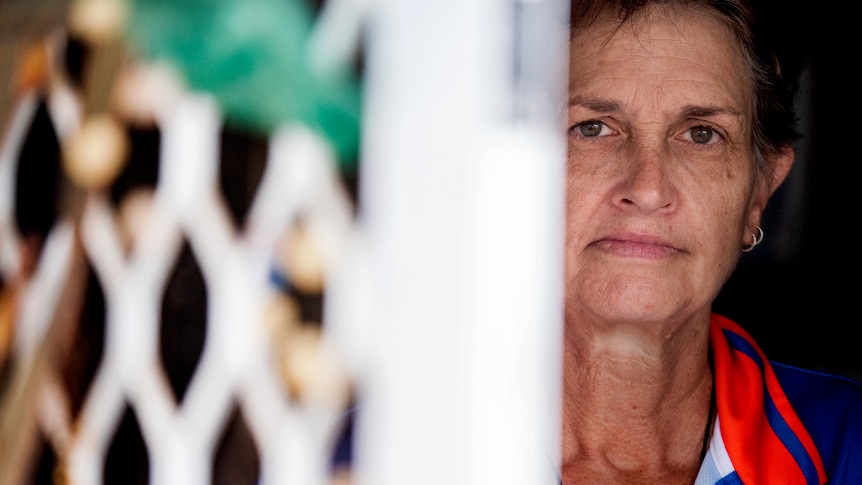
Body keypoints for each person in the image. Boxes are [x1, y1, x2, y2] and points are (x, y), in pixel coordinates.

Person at [561, 0, 862, 484]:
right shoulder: (414, 434)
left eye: (702, 134)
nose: (649, 188)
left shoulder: (847, 446)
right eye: (592, 128)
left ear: (758, 194)